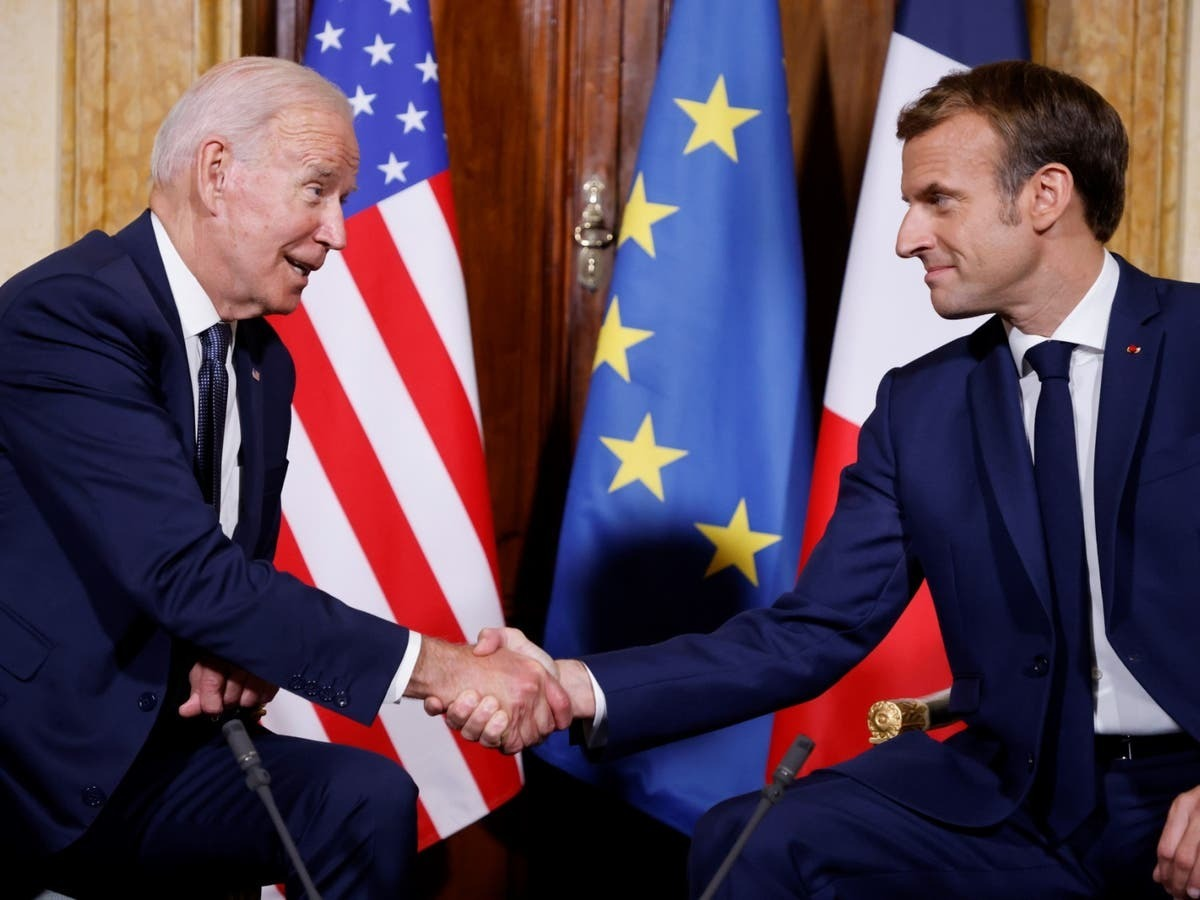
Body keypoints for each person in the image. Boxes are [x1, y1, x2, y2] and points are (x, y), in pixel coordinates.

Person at [438, 60, 1200, 898]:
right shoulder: (921, 406)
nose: (906, 238)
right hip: (1007, 793)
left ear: (1046, 195)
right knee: (750, 842)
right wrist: (574, 686)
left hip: (1182, 781)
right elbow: (816, 630)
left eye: (938, 200)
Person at [0, 56, 569, 899]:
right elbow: (185, 573)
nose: (339, 232)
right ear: (217, 174)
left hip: (170, 743)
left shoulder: (261, 358)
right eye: (317, 191)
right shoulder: (69, 316)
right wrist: (447, 671)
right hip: (35, 760)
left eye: (341, 199)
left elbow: (228, 579)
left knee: (363, 800)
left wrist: (234, 644)